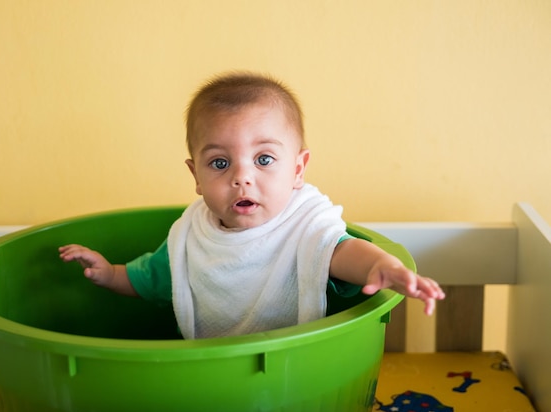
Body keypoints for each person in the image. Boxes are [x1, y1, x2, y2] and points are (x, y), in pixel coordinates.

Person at [59, 71, 445, 339]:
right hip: (210, 378)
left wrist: (383, 266)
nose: (241, 177)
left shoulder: (304, 224)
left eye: (263, 159)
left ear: (298, 169)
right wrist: (110, 274)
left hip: (294, 371)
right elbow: (153, 278)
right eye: (220, 163)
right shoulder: (194, 237)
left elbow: (341, 252)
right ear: (195, 175)